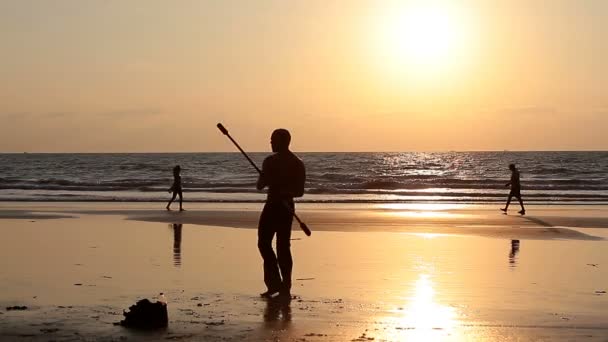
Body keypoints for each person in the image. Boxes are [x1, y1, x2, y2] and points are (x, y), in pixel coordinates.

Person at [256, 129, 306, 299]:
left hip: (284, 207)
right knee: (264, 244)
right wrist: (266, 177)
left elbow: (299, 191)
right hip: (272, 206)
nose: (270, 142)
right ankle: (274, 283)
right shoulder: (269, 161)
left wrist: (283, 191)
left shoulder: (296, 163)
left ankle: (285, 286)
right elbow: (260, 185)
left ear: (283, 141)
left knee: (282, 247)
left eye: (273, 140)